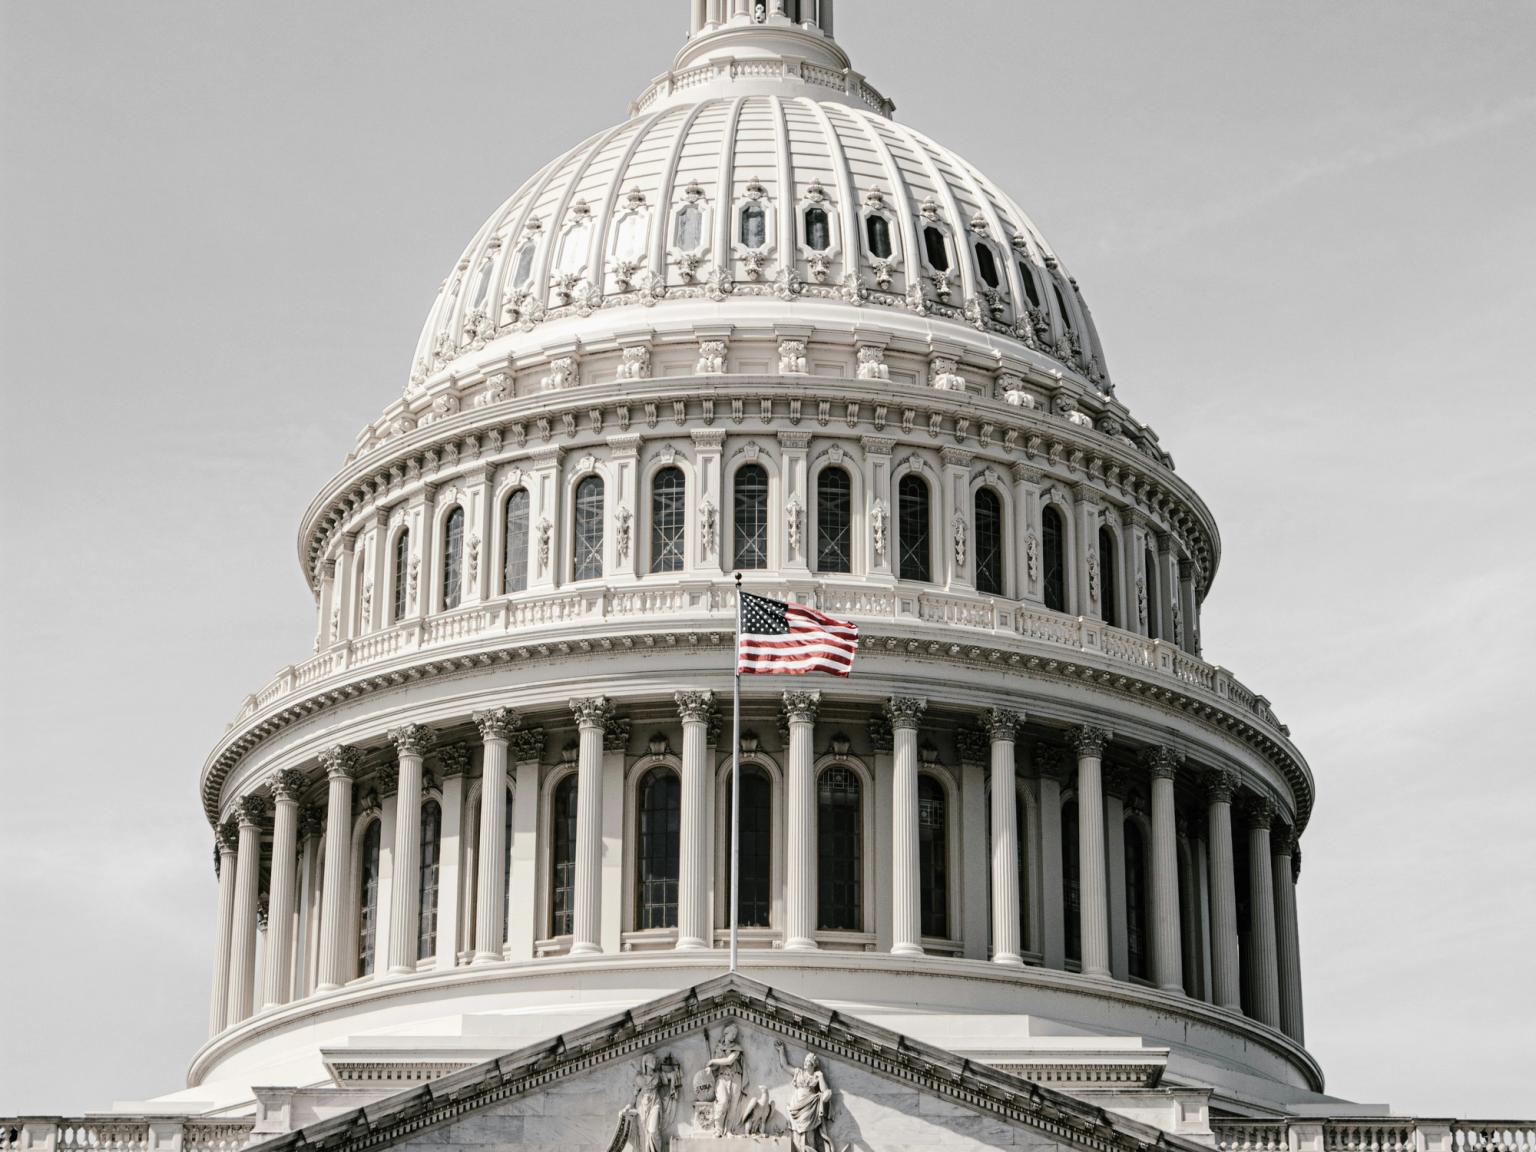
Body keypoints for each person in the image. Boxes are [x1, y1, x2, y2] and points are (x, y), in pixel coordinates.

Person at [775, 1040, 834, 1152]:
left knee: (808, 1132)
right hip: (796, 1106)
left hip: (809, 1107)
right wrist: (781, 1051)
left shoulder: (816, 1076)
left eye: (808, 1062)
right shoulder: (799, 1072)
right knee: (796, 1133)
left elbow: (825, 1090)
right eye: (805, 1061)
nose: (805, 1063)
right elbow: (785, 1066)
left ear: (813, 1065)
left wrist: (821, 1077)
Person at [706, 1023, 745, 1136]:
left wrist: (713, 1061)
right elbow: (716, 1066)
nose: (734, 1036)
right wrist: (710, 1067)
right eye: (732, 1033)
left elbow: (729, 1060)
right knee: (723, 1102)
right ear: (726, 1033)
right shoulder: (719, 1048)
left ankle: (728, 1130)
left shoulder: (737, 1048)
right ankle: (718, 1128)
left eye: (735, 1034)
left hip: (735, 1078)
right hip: (722, 1077)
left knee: (733, 1106)